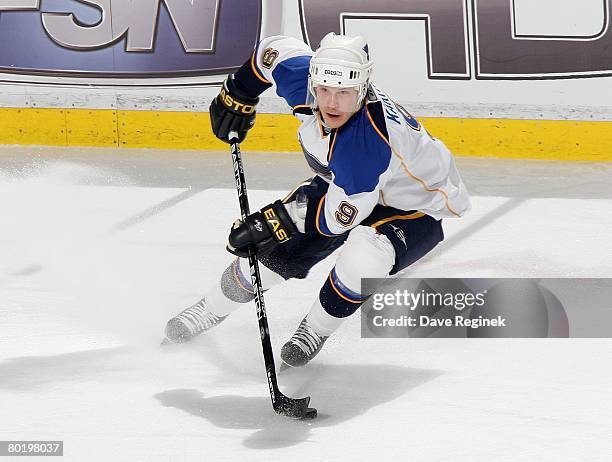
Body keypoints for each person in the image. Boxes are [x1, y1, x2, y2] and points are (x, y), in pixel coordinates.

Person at [163, 33, 471, 367]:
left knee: (365, 257)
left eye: (344, 93)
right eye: (324, 90)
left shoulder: (366, 145)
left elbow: (339, 219)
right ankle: (209, 309)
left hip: (414, 207)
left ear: (364, 87)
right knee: (271, 253)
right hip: (348, 187)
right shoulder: (307, 80)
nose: (331, 103)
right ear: (313, 79)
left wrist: (276, 220)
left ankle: (315, 329)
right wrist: (239, 92)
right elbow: (272, 51)